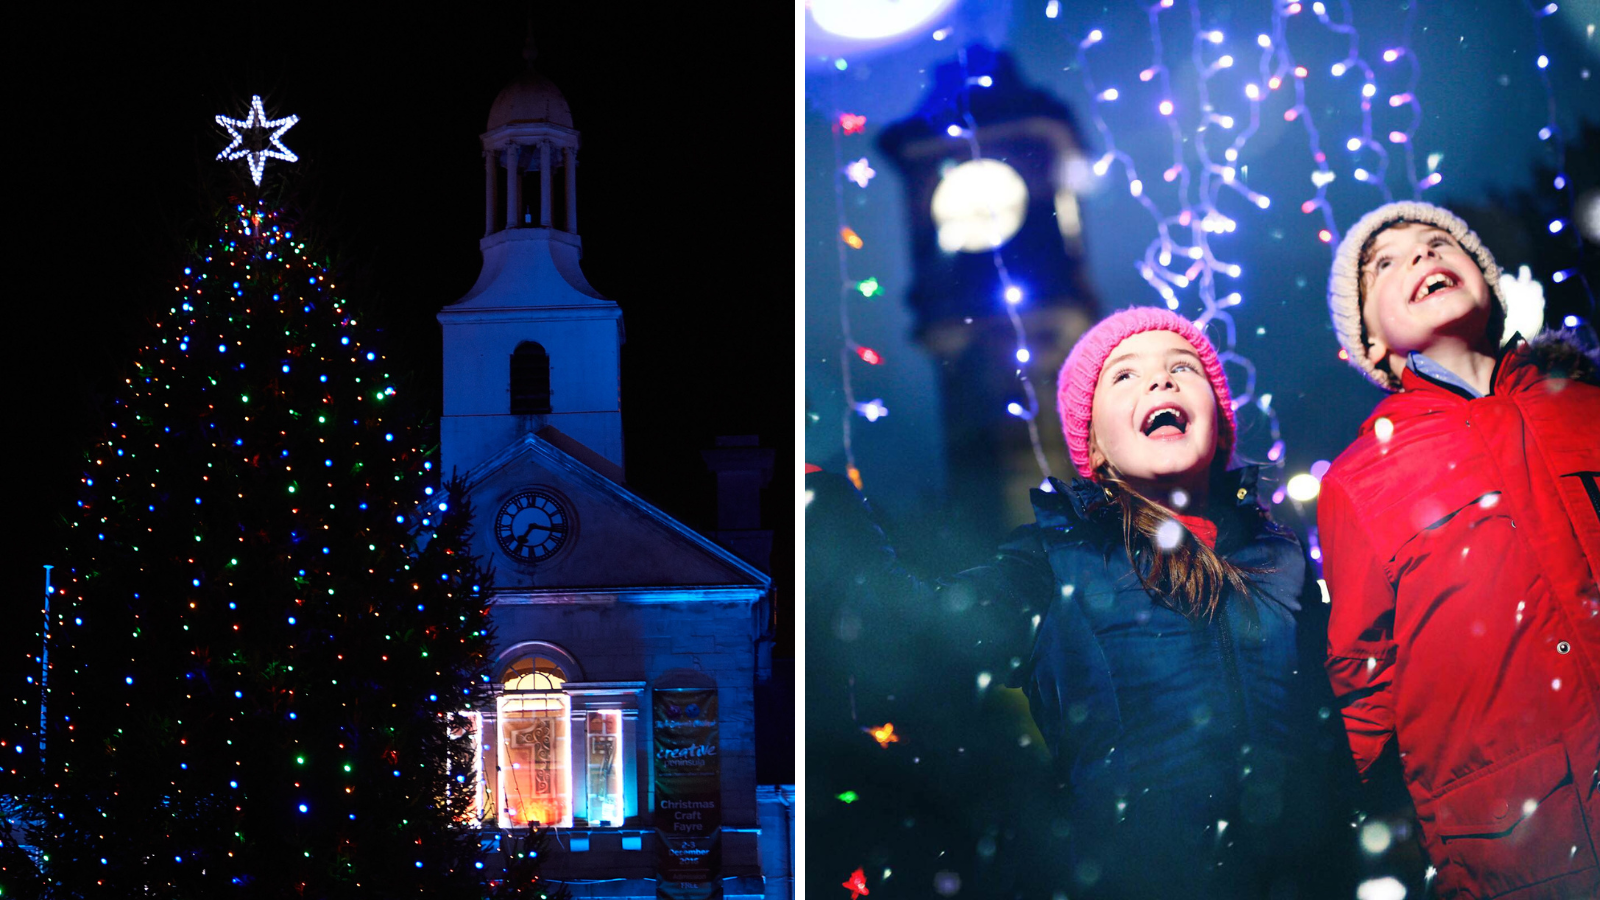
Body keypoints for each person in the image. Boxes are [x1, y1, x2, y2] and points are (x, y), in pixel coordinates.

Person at [809, 307, 1352, 899]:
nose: (1161, 380)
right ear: (1093, 447)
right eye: (1124, 375)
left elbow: (1340, 717)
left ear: (1220, 424)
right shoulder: (1053, 560)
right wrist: (827, 514)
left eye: (1183, 367)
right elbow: (922, 634)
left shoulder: (1283, 558)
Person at [1319, 200, 1600, 900]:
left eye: (1439, 242)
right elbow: (1362, 673)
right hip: (1518, 839)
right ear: (1370, 343)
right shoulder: (1360, 480)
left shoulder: (1586, 406)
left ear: (1490, 285)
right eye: (1385, 262)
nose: (1421, 255)